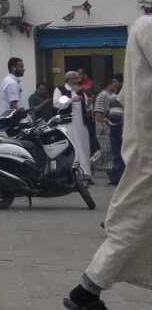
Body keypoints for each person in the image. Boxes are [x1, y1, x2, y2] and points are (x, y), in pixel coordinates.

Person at [64, 16, 152, 310]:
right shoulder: (147, 27)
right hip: (149, 147)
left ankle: (87, 292)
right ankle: (86, 291)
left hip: (142, 140)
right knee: (135, 217)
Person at [57, 71, 92, 179]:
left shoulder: (81, 91)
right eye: (76, 78)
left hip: (81, 124)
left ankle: (85, 172)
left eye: (78, 78)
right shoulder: (60, 90)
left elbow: (86, 106)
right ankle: (71, 173)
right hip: (68, 124)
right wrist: (71, 99)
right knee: (72, 147)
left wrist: (89, 103)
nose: (78, 80)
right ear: (69, 79)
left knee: (83, 147)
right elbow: (57, 103)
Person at [94, 75, 124, 186]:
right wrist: (103, 125)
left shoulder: (112, 95)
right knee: (107, 151)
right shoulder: (103, 95)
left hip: (111, 125)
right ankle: (91, 163)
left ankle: (115, 177)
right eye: (113, 82)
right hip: (105, 127)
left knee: (111, 152)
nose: (115, 84)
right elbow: (98, 112)